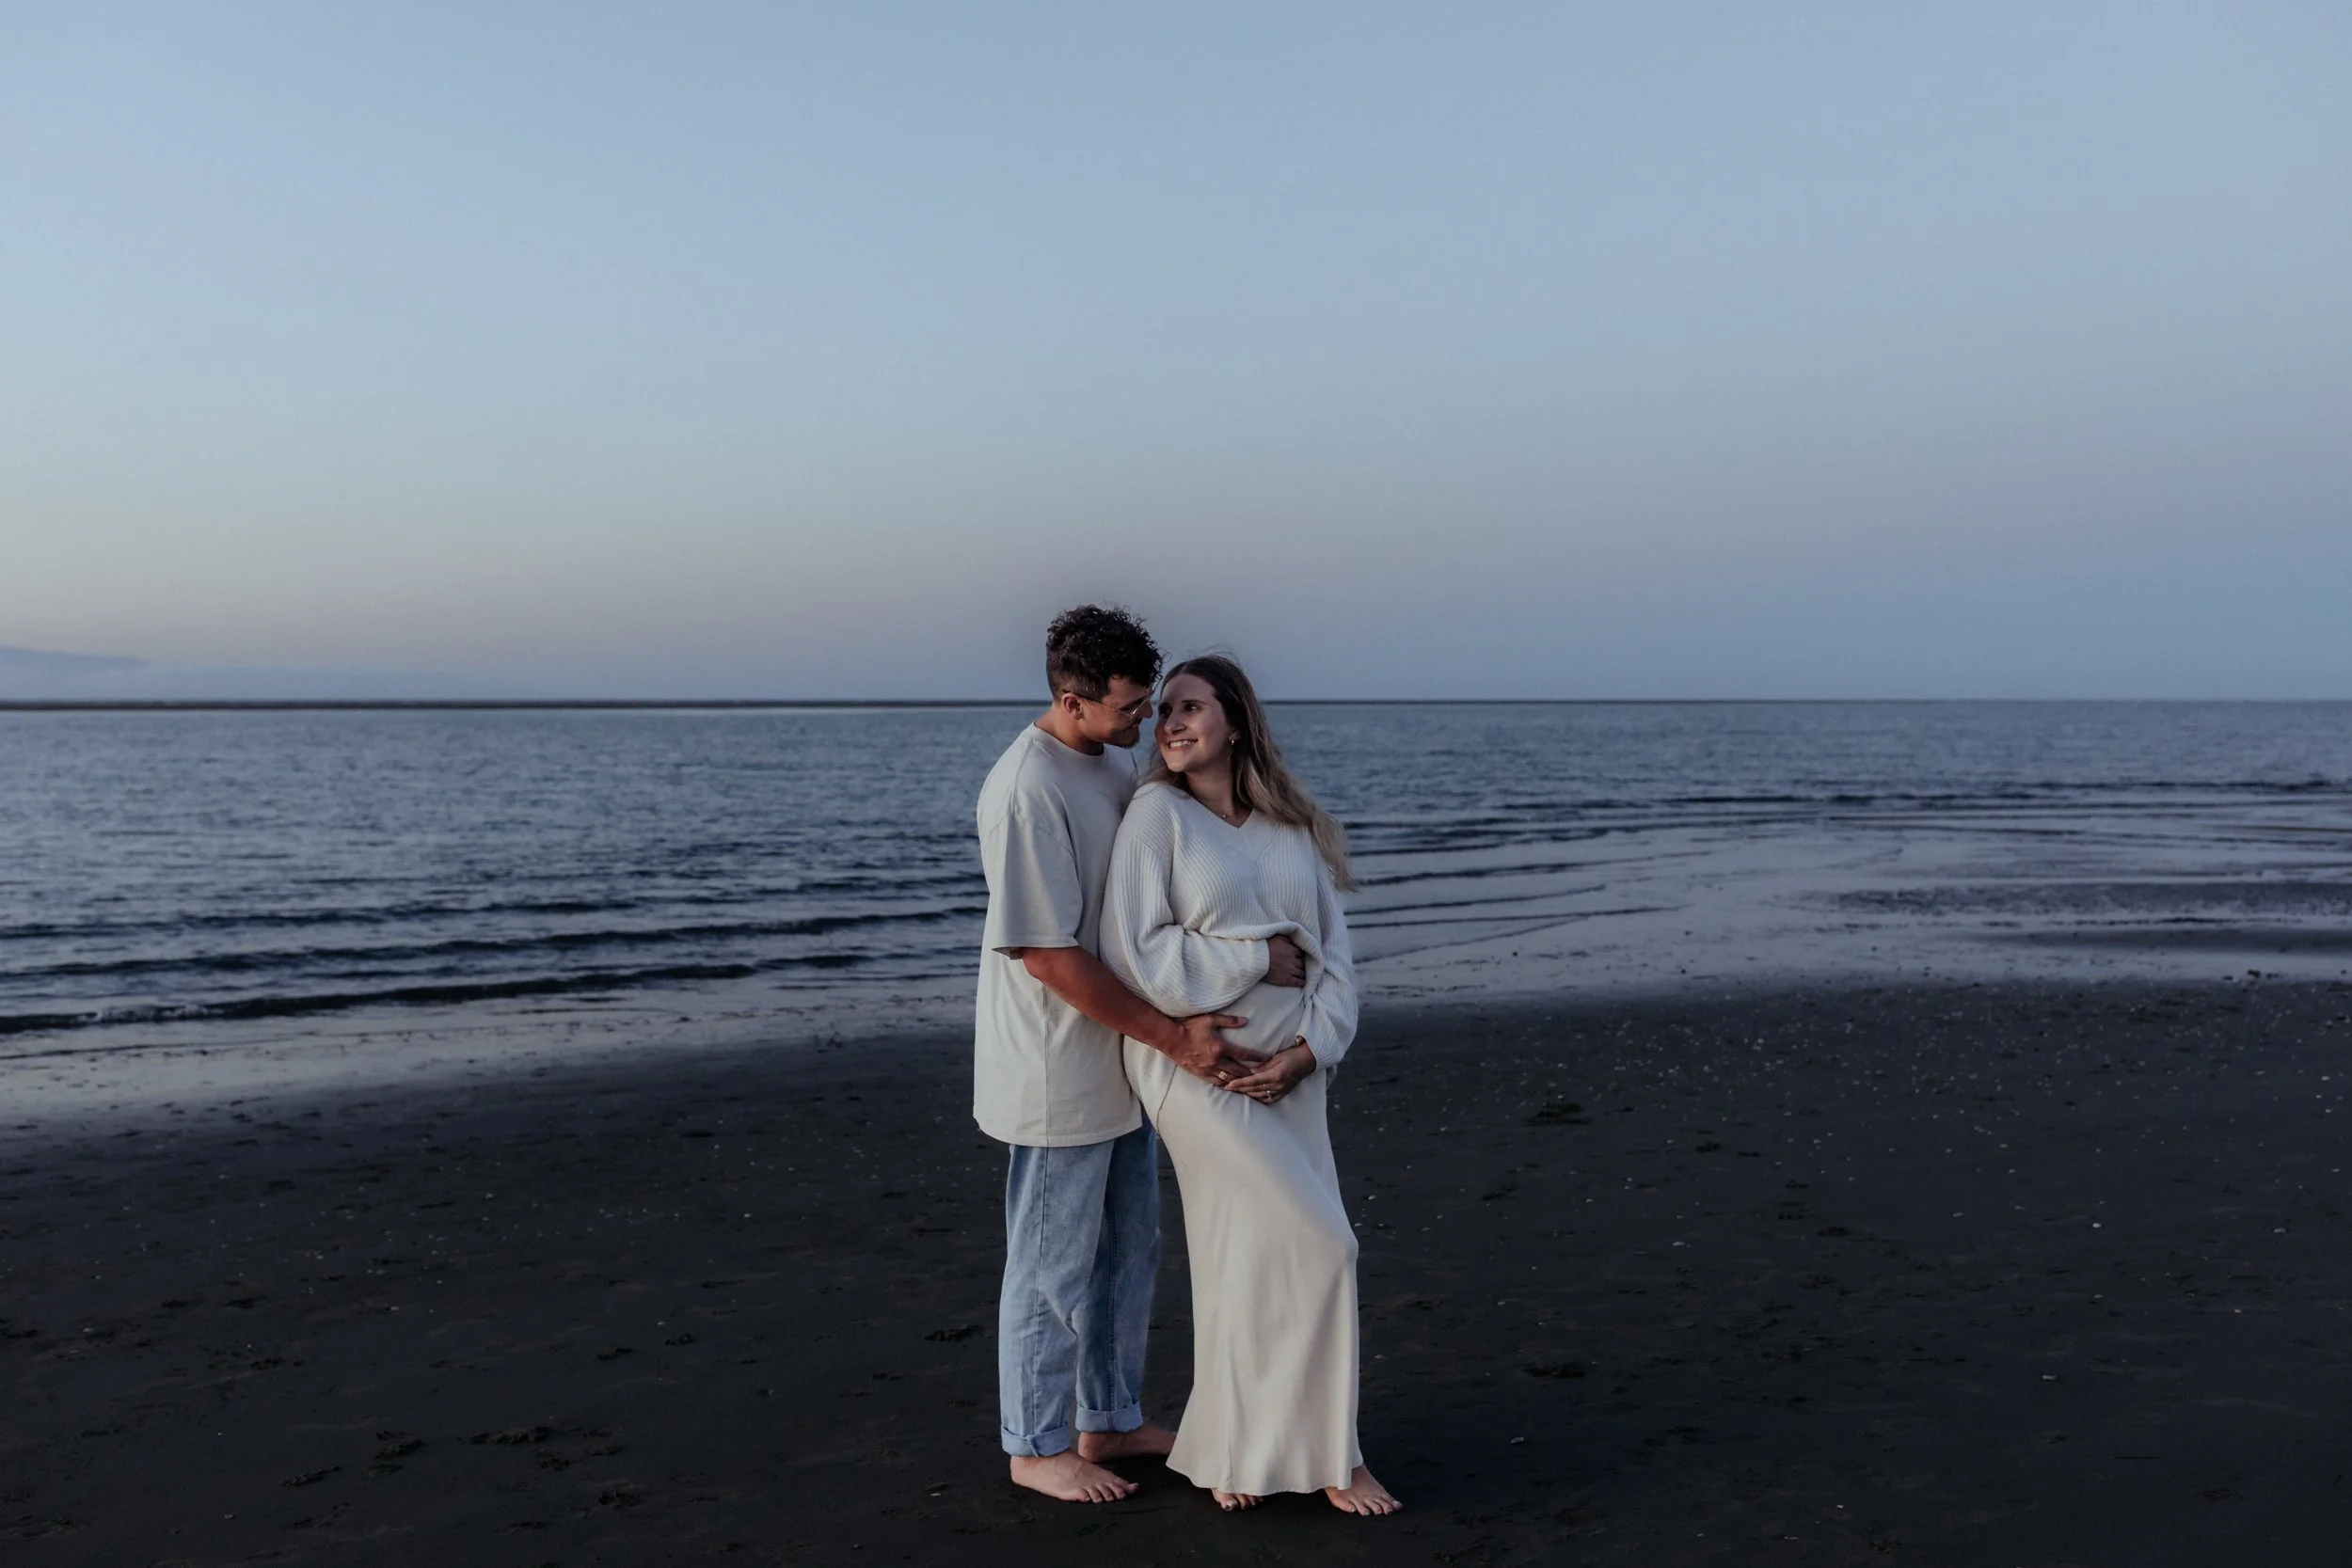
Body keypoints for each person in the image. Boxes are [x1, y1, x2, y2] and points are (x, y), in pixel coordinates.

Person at [975, 607, 1299, 1504]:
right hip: (1056, 1068)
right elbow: (1046, 952)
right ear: (1072, 700)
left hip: (1123, 1059)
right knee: (1049, 1264)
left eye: (1150, 701)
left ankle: (1108, 1416)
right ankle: (1033, 1444)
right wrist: (1176, 1038)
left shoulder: (1108, 759)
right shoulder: (1025, 789)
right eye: (1128, 706)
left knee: (1129, 1249)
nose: (1146, 721)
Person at [1101, 654, 1402, 1516]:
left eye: (1190, 706)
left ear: (1235, 719)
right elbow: (1136, 950)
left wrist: (1307, 1053)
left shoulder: (1287, 827)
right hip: (1197, 1074)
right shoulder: (1155, 815)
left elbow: (1335, 963)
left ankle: (1275, 1449)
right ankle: (1300, 1452)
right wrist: (1251, 956)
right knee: (1322, 1245)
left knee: (1249, 1257)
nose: (1171, 722)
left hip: (1290, 1078)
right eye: (1163, 712)